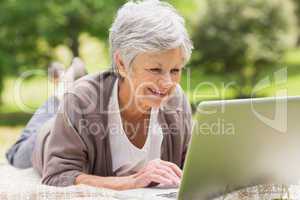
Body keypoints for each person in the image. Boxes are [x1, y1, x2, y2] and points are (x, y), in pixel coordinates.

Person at [7, 0, 194, 190]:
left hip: (78, 105)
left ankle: (67, 88)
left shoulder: (175, 100)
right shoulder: (81, 100)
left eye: (175, 70)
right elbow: (58, 175)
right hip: (48, 136)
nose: (168, 83)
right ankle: (59, 95)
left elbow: (192, 163)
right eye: (155, 69)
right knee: (18, 154)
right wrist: (133, 181)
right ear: (121, 64)